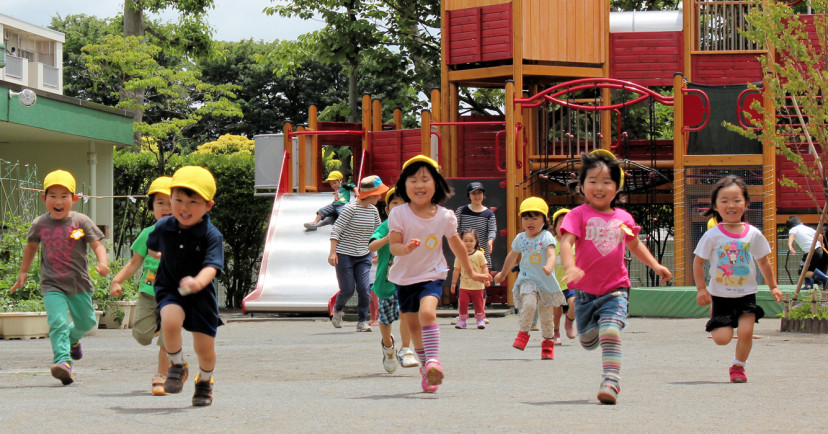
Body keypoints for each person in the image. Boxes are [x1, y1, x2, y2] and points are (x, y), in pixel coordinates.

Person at [559, 149, 672, 405]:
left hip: (615, 290)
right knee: (588, 341)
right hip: (585, 294)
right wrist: (569, 267)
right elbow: (566, 243)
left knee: (611, 330)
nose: (600, 187)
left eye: (607, 182)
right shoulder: (577, 215)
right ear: (582, 185)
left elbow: (634, 245)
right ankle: (589, 329)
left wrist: (656, 265)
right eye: (593, 181)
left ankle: (611, 381)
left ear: (617, 187)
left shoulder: (623, 218)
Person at [388, 155, 491, 393]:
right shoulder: (399, 214)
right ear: (404, 185)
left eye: (425, 179)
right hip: (404, 278)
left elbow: (456, 246)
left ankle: (433, 360)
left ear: (436, 184)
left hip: (432, 274)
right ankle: (427, 370)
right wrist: (405, 248)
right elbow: (393, 246)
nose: (419, 185)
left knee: (427, 312)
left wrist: (472, 273)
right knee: (413, 328)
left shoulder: (445, 216)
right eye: (413, 180)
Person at [10, 169, 109, 385]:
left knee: (87, 321)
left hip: (78, 283)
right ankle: (63, 362)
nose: (58, 201)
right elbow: (31, 247)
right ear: (44, 198)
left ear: (74, 199)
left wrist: (103, 262)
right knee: (58, 322)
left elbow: (97, 244)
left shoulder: (81, 222)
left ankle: (73, 340)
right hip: (52, 283)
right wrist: (23, 272)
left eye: (64, 196)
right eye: (53, 195)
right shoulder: (40, 224)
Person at [146, 165, 224, 407]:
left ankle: (205, 380)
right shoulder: (163, 227)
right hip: (170, 288)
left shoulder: (212, 235)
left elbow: (212, 267)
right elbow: (153, 247)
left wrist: (197, 282)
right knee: (169, 321)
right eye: (178, 200)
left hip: (200, 296)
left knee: (205, 350)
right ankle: (178, 364)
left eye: (193, 202)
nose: (183, 208)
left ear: (208, 205)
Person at [693, 175, 783, 384]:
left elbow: (764, 262)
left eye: (736, 200)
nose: (731, 205)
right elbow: (698, 263)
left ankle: (738, 367)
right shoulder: (712, 235)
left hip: (746, 294)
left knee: (746, 332)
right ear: (715, 205)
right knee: (722, 339)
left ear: (746, 203)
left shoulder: (753, 234)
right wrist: (701, 289)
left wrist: (774, 287)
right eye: (724, 201)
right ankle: (715, 313)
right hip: (720, 297)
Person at [109, 176, 173, 396]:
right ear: (152, 207)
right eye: (160, 203)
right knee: (142, 336)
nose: (166, 208)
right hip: (148, 294)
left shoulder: (186, 233)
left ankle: (162, 376)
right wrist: (117, 280)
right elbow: (134, 263)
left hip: (173, 297)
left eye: (171, 202)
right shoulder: (148, 234)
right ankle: (159, 331)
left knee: (167, 339)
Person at [494, 197, 565, 360]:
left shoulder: (547, 236)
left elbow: (551, 254)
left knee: (547, 317)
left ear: (545, 220)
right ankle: (523, 333)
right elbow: (511, 256)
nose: (530, 222)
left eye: (535, 217)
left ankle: (548, 344)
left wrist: (549, 265)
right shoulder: (521, 238)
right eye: (526, 218)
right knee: (529, 303)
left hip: (545, 282)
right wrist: (503, 273)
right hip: (527, 280)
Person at [368, 187, 419, 372]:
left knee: (407, 314)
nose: (399, 207)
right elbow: (371, 245)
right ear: (388, 210)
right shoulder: (386, 226)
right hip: (386, 282)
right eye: (394, 203)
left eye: (403, 203)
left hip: (406, 281)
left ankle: (406, 350)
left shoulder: (413, 225)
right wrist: (386, 239)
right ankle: (388, 347)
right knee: (386, 320)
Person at [329, 175, 388, 332]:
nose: (381, 196)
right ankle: (338, 309)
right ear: (371, 194)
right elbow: (336, 229)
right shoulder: (350, 209)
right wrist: (332, 252)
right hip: (344, 254)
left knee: (364, 289)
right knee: (348, 289)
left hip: (364, 255)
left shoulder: (373, 210)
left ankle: (362, 321)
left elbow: (379, 231)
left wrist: (379, 250)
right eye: (379, 193)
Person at [453, 181, 497, 325]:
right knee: (463, 281)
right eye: (474, 193)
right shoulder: (461, 210)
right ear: (469, 195)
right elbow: (454, 226)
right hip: (463, 252)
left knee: (482, 282)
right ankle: (462, 314)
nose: (477, 196)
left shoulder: (489, 213)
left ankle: (481, 314)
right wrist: (457, 242)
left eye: (479, 193)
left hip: (481, 253)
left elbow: (492, 229)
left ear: (483, 195)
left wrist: (490, 240)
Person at [450, 229, 489, 329]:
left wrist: (486, 278)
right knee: (462, 303)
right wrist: (454, 283)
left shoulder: (479, 254)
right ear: (461, 241)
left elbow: (484, 267)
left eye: (471, 241)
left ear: (476, 241)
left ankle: (480, 320)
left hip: (478, 286)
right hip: (464, 286)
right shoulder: (459, 255)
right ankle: (462, 321)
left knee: (478, 304)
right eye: (465, 240)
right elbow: (456, 270)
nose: (468, 243)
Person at [550, 208, 577, 343]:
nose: (564, 226)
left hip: (570, 282)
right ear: (555, 226)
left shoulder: (576, 242)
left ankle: (570, 320)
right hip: (554, 282)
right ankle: (555, 332)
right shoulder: (550, 242)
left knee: (575, 304)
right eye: (561, 223)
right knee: (556, 311)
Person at [785, 216, 828, 288]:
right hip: (819, 250)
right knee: (807, 268)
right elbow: (820, 236)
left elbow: (791, 236)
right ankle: (809, 286)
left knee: (802, 271)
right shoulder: (807, 228)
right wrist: (822, 244)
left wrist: (790, 246)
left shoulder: (793, 229)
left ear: (790, 227)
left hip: (812, 252)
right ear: (801, 223)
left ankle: (825, 278)